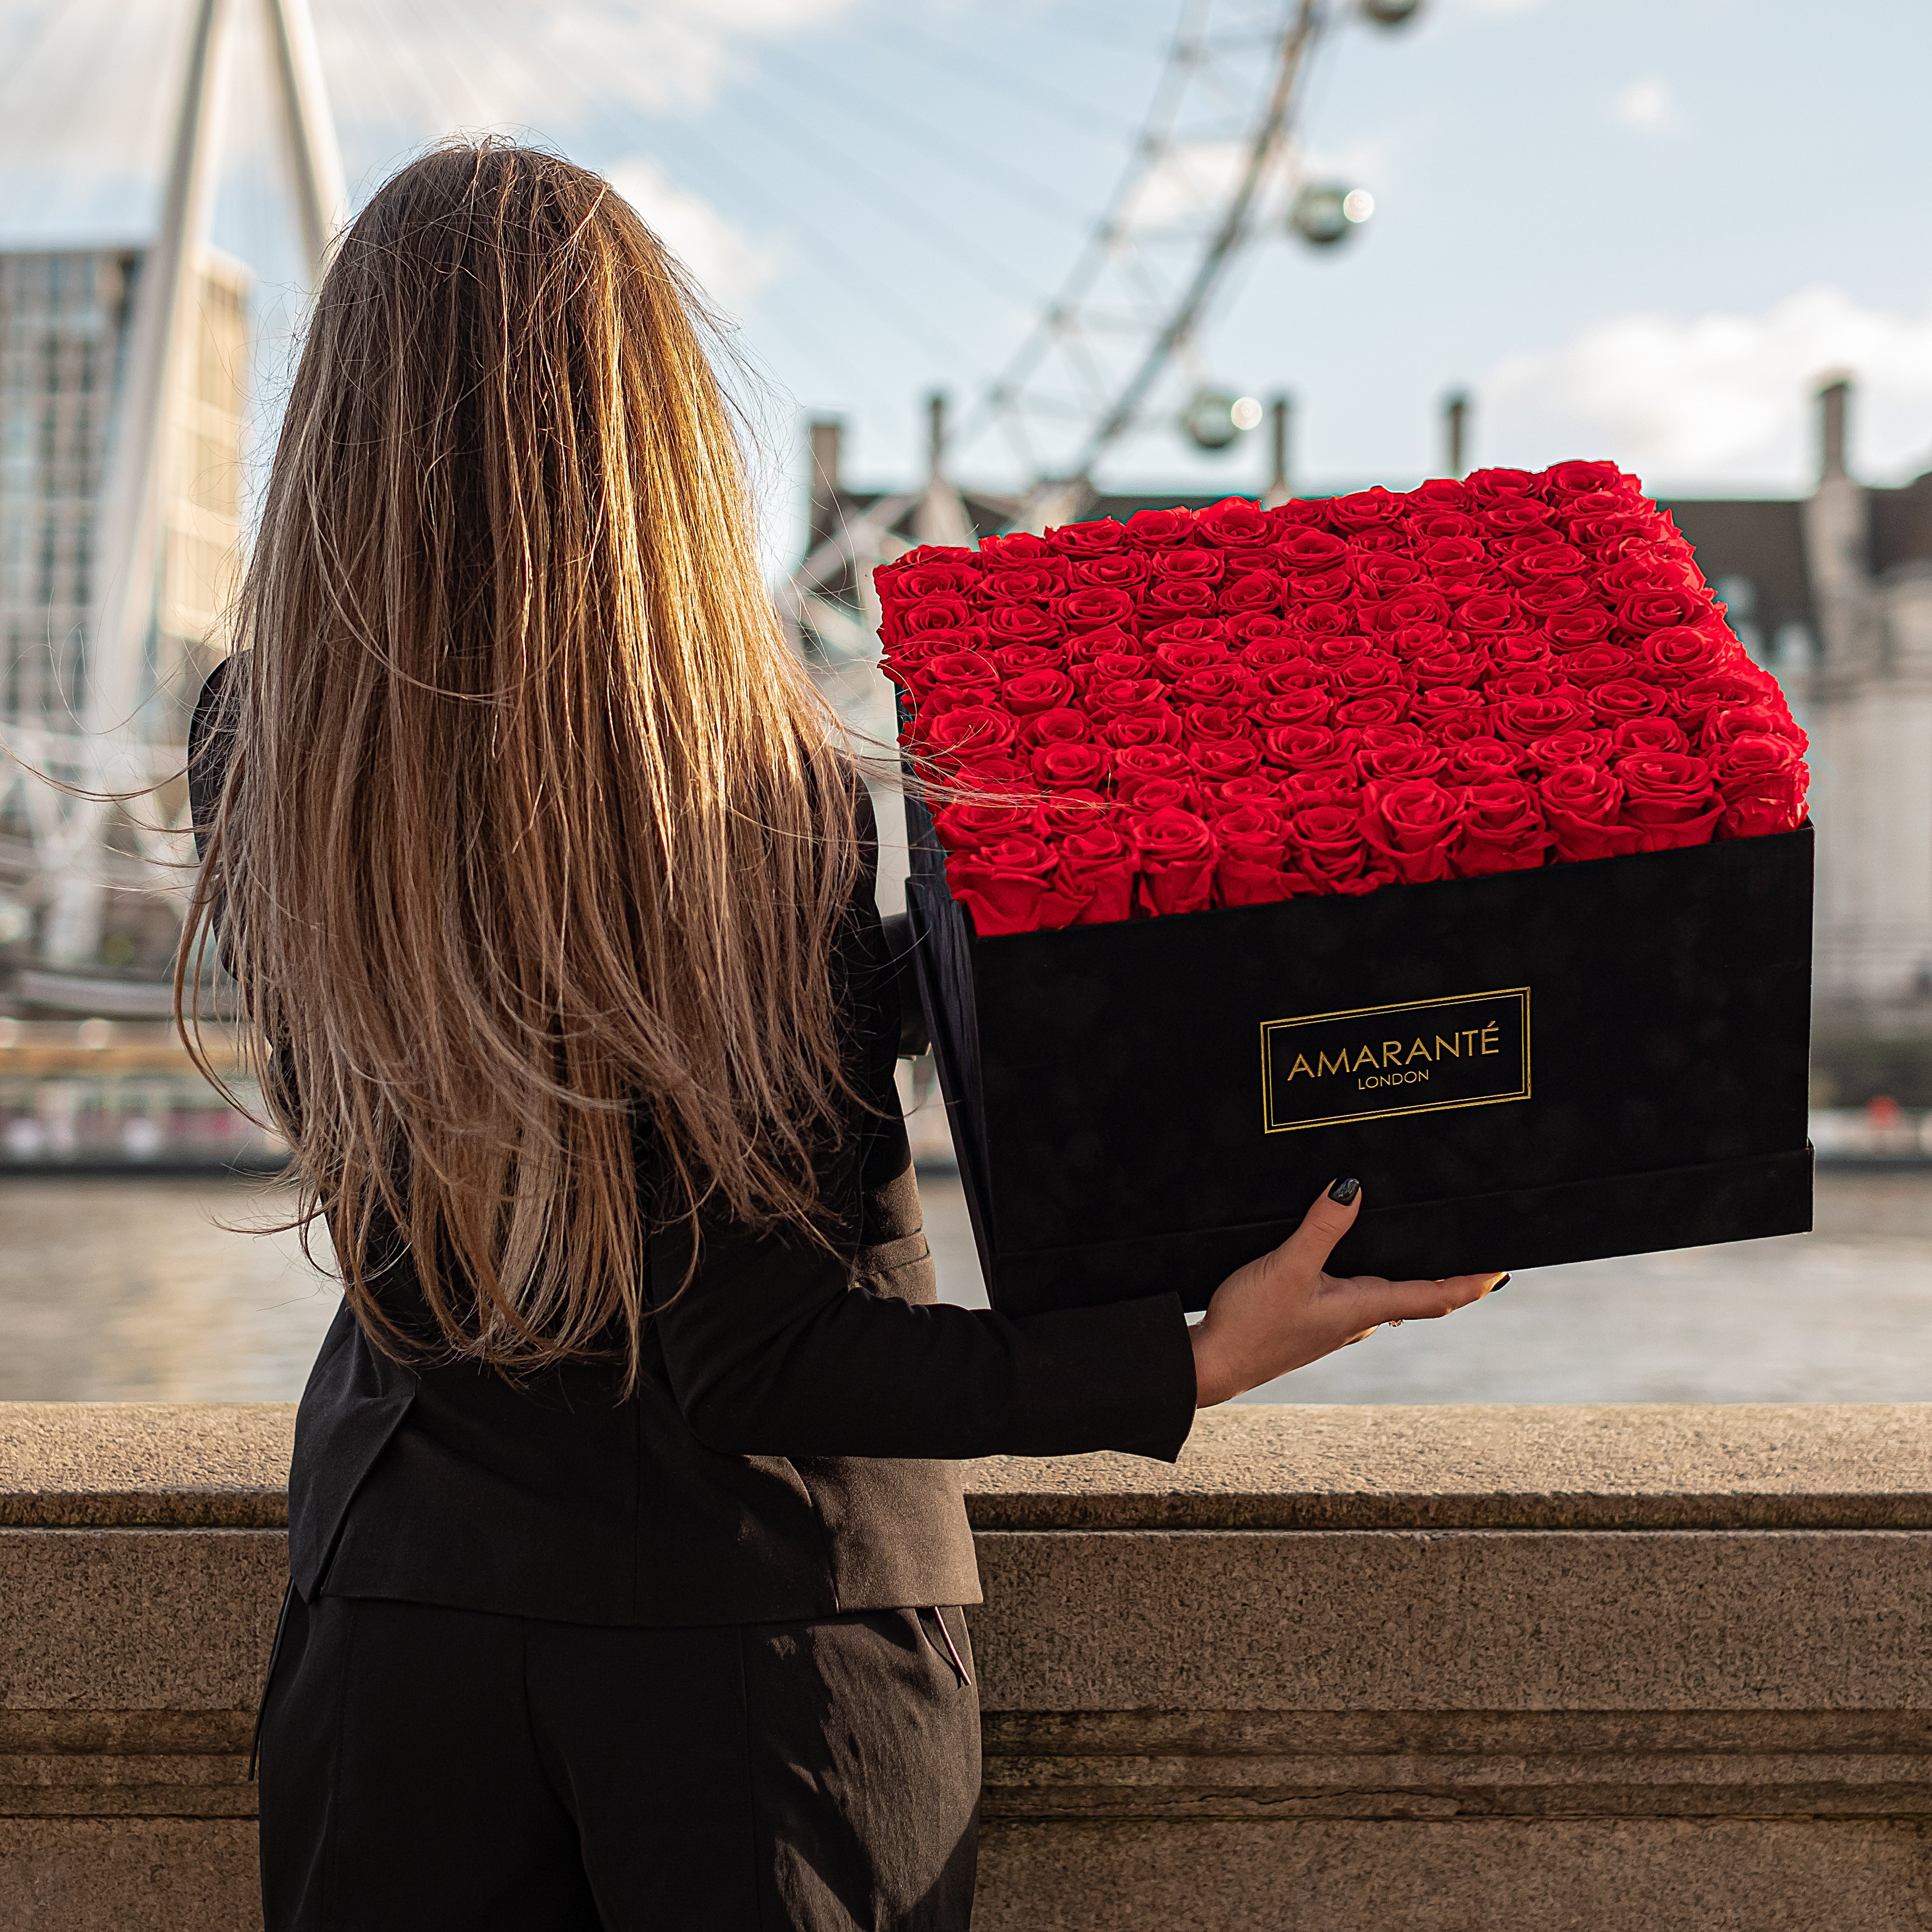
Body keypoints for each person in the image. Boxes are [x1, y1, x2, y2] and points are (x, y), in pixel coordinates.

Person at [181, 141, 1502, 1932]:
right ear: (653, 431)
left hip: (398, 1635)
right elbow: (756, 1357)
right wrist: (1181, 1360)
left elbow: (515, 1161)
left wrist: (883, 987)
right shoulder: (754, 789)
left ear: (335, 431)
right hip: (757, 1666)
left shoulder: (259, 751)